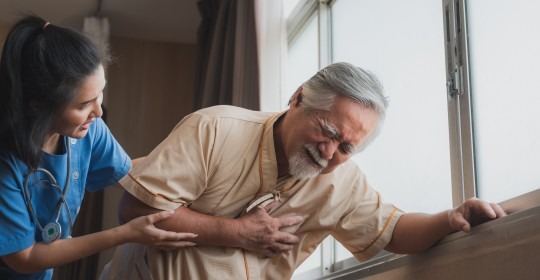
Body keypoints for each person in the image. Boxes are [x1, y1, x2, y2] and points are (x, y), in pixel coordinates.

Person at [100, 62, 506, 279]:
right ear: (297, 99)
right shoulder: (215, 128)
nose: (329, 153)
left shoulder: (343, 182)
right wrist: (237, 232)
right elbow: (135, 212)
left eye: (347, 147)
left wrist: (450, 219)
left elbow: (393, 230)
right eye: (327, 132)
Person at [0, 16, 197, 280]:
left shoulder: (88, 130)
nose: (98, 112)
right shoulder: (6, 163)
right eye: (83, 105)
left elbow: (128, 173)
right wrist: (125, 233)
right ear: (38, 106)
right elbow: (24, 258)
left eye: (100, 94)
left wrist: (195, 165)